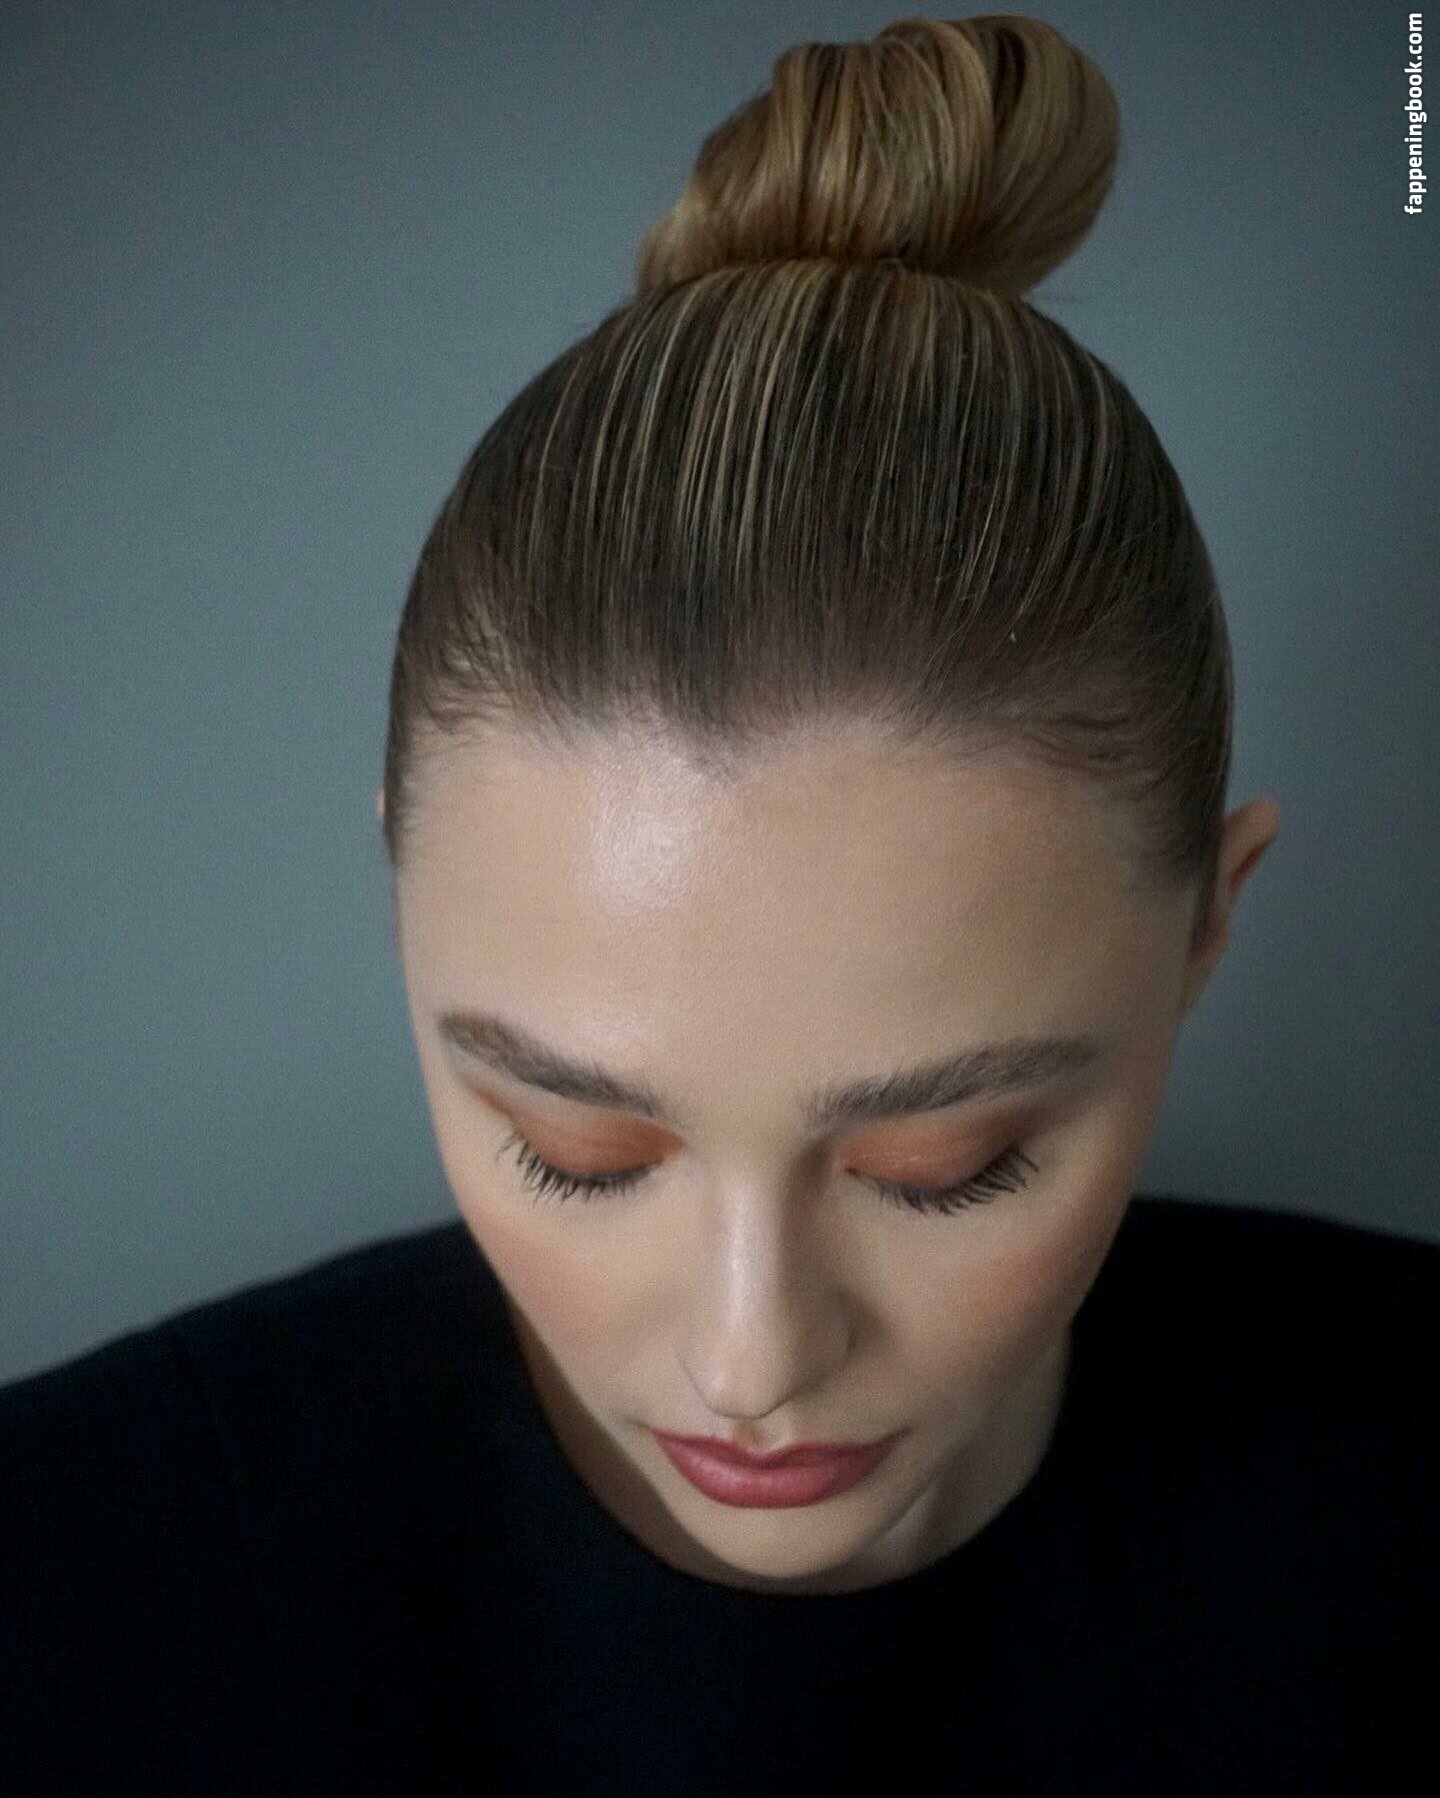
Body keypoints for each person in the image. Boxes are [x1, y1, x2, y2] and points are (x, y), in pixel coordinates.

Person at [2, 12, 1435, 1795]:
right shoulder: (61, 1594)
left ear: (1211, 920)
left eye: (948, 1165)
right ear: (405, 905)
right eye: (576, 1151)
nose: (752, 1359)